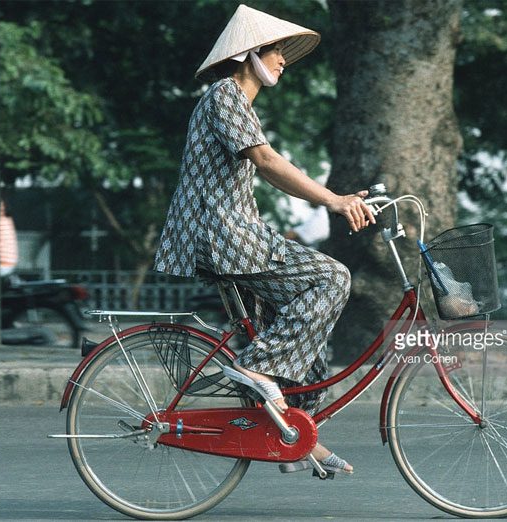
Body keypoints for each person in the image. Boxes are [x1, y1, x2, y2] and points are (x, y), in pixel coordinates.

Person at [154, 4, 375, 475]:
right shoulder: (225, 96)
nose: (282, 62)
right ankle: (254, 370)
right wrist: (333, 201)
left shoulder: (236, 102)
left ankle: (295, 436)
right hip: (222, 234)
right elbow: (269, 162)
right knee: (332, 278)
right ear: (251, 52)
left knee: (305, 340)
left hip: (232, 233)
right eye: (276, 52)